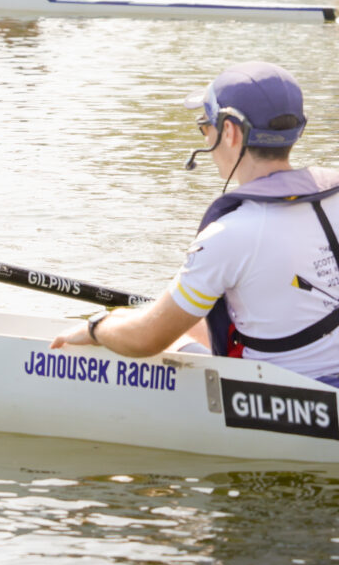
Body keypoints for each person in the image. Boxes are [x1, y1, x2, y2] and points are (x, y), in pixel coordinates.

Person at [53, 64, 339, 386]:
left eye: (205, 126)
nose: (205, 136)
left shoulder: (231, 233)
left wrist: (97, 327)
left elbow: (146, 339)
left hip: (285, 396)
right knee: (184, 317)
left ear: (229, 132)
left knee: (144, 330)